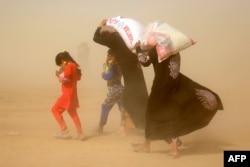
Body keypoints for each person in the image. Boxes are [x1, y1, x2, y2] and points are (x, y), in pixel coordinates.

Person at [132, 44, 224, 157]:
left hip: (160, 88)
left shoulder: (156, 51)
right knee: (171, 116)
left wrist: (138, 49)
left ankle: (146, 145)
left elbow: (145, 62)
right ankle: (174, 149)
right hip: (174, 86)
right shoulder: (175, 51)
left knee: (151, 114)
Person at [93, 19, 148, 130]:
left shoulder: (113, 40)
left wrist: (100, 26)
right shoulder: (123, 43)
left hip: (119, 87)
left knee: (119, 105)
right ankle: (127, 128)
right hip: (129, 81)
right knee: (127, 106)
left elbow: (95, 38)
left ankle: (102, 126)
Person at [51, 51, 85, 140]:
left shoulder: (69, 65)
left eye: (60, 63)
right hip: (73, 94)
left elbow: (66, 78)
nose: (61, 65)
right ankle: (80, 133)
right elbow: (77, 78)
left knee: (54, 110)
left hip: (67, 94)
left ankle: (64, 129)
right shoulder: (74, 65)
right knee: (73, 113)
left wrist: (59, 74)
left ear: (62, 60)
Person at [98, 49, 126, 135]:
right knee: (122, 109)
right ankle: (123, 127)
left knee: (105, 106)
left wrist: (103, 75)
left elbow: (108, 76)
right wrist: (107, 63)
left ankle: (100, 127)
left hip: (114, 90)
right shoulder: (119, 64)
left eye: (108, 55)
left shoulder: (114, 65)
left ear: (112, 56)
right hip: (120, 89)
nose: (107, 57)